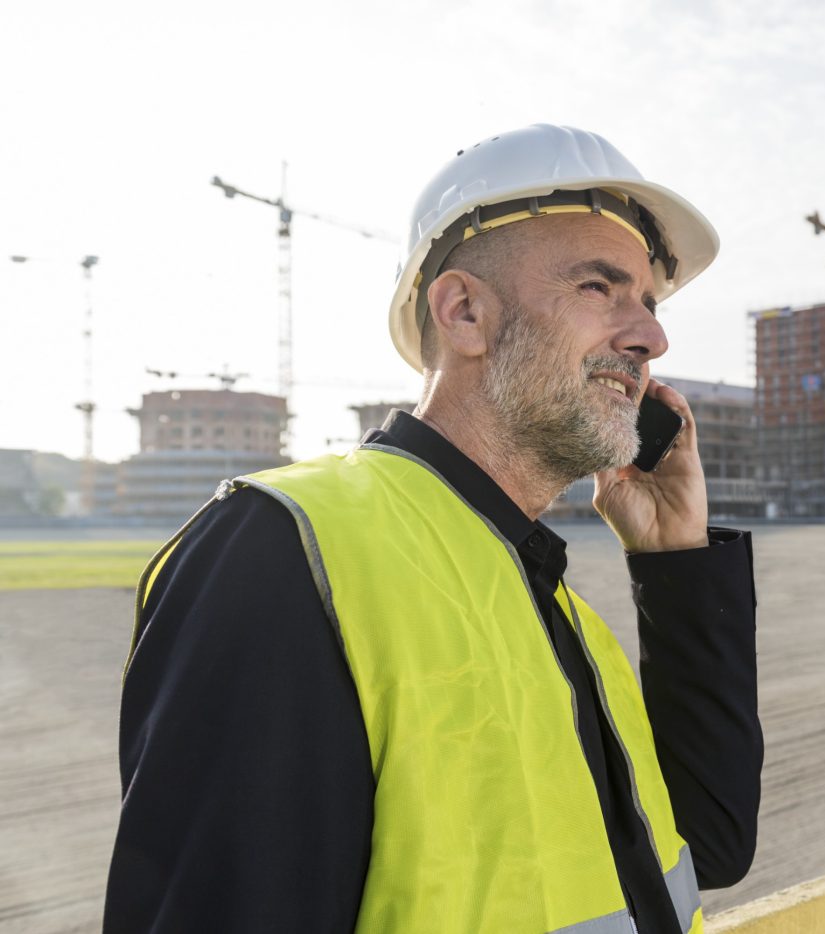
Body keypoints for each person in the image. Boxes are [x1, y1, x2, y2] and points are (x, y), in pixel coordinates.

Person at [105, 124, 762, 934]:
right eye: (601, 288)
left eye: (650, 306)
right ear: (463, 312)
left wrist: (677, 565)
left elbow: (710, 845)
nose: (651, 338)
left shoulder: (543, 593)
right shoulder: (283, 551)